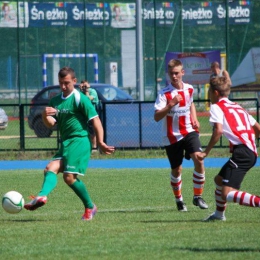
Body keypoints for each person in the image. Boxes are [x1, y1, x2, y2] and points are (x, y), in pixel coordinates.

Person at [24, 67, 115, 220]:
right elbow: (51, 124)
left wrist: (100, 142)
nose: (64, 86)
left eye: (67, 83)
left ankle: (90, 207)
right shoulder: (55, 100)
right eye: (61, 83)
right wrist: (45, 115)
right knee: (49, 168)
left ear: (74, 81)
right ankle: (41, 197)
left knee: (69, 177)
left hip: (79, 141)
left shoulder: (81, 99)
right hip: (66, 142)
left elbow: (96, 120)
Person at [199, 76, 260, 221]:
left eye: (209, 91)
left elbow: (218, 131)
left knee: (227, 193)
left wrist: (205, 152)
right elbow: (258, 128)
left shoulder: (216, 107)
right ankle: (219, 215)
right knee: (219, 180)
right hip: (248, 150)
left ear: (215, 92)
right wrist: (250, 142)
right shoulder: (237, 106)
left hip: (243, 153)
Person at [154, 59, 208, 212]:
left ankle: (198, 197)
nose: (174, 76)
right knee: (177, 170)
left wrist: (195, 118)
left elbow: (190, 103)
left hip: (189, 131)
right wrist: (170, 104)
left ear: (182, 73)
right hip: (172, 136)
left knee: (199, 159)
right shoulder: (164, 93)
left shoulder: (189, 89)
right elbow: (157, 117)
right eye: (171, 73)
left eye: (177, 73)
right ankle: (179, 200)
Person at [79, 80, 99, 151]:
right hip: (83, 116)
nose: (84, 87)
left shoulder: (92, 91)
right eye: (83, 85)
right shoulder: (80, 92)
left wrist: (87, 90)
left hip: (92, 115)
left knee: (92, 132)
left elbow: (88, 99)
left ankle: (94, 147)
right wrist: (80, 90)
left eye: (85, 85)